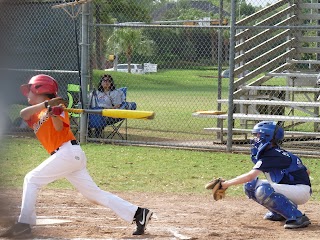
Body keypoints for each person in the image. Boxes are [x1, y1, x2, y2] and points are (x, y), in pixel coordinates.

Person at [0, 74, 152, 238]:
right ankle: (138, 213)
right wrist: (46, 105)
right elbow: (23, 114)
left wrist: (55, 114)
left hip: (68, 153)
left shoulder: (59, 107)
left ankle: (24, 224)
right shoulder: (36, 113)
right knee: (94, 195)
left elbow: (59, 128)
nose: (27, 94)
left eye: (30, 90)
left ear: (41, 90)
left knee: (32, 178)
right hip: (66, 157)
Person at [217, 121, 312, 229]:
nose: (255, 139)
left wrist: (226, 184)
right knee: (250, 185)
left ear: (268, 136)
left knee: (263, 190)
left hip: (300, 191)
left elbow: (250, 175)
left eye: (258, 135)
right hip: (296, 188)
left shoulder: (273, 155)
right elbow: (307, 171)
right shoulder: (274, 152)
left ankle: (297, 217)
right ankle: (280, 212)